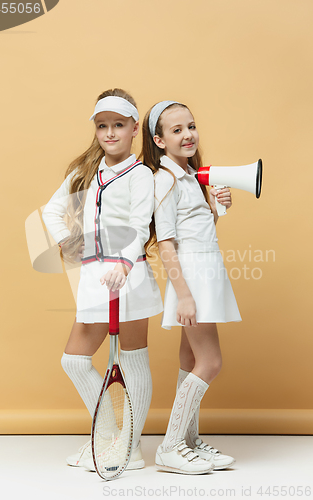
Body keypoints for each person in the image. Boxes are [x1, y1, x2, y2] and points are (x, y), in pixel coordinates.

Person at [42, 88, 163, 471]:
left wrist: (125, 266)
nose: (110, 133)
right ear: (96, 130)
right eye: (102, 126)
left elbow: (139, 224)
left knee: (133, 358)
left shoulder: (142, 174)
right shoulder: (84, 174)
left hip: (127, 275)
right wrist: (68, 243)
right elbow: (51, 211)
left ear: (133, 128)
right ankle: (108, 438)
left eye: (118, 125)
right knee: (74, 360)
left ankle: (129, 448)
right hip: (94, 276)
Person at [141, 101, 241, 475]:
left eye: (191, 126)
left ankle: (188, 441)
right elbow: (167, 243)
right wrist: (184, 295)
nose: (188, 135)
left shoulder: (192, 176)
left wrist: (215, 207)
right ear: (159, 140)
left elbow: (198, 231)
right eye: (177, 130)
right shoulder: (165, 179)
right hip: (192, 278)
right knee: (210, 362)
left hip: (205, 269)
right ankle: (170, 447)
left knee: (189, 361)